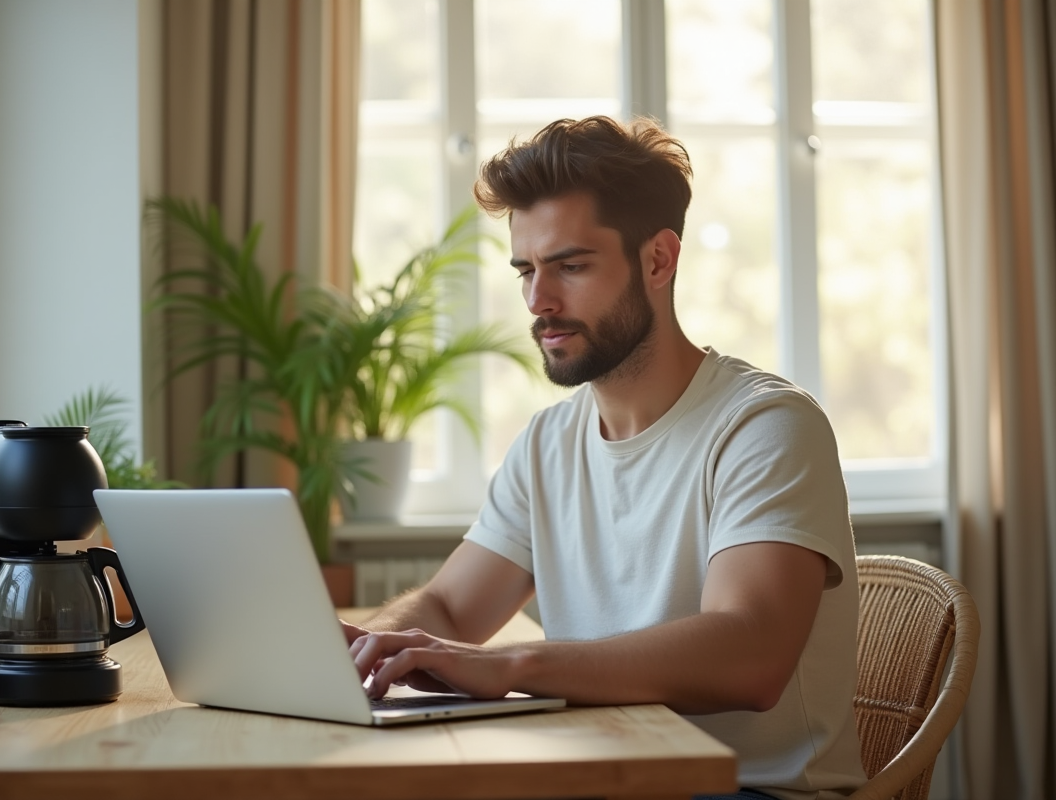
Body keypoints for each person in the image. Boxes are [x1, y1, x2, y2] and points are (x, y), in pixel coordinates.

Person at [343, 116, 866, 800]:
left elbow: (750, 656)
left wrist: (511, 666)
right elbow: (445, 606)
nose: (539, 301)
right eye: (526, 270)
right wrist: (368, 648)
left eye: (571, 266)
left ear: (659, 260)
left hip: (749, 790)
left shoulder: (764, 425)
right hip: (604, 774)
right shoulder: (547, 444)